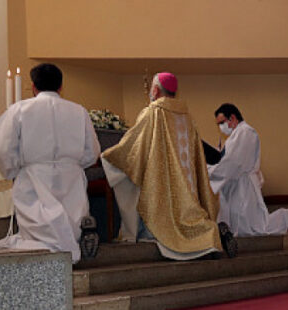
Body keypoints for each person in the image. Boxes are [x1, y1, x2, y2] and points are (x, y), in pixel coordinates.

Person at [101, 72, 236, 260]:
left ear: (155, 90)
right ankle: (207, 233)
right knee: (192, 216)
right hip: (187, 189)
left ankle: (177, 234)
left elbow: (133, 147)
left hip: (163, 183)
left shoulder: (153, 112)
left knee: (158, 213)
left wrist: (108, 156)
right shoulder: (187, 118)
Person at [0, 63, 100, 263]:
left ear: (33, 86)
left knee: (38, 232)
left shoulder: (21, 109)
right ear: (61, 86)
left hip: (34, 178)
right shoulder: (78, 111)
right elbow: (92, 151)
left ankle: (55, 247)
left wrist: (13, 167)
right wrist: (72, 164)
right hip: (70, 179)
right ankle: (76, 239)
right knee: (71, 221)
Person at [208, 103, 288, 236]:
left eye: (221, 123)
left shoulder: (246, 132)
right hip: (235, 184)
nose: (220, 128)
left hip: (244, 185)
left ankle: (287, 218)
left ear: (232, 118)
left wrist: (210, 172)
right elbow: (228, 159)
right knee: (244, 226)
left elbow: (233, 162)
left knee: (256, 227)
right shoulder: (235, 135)